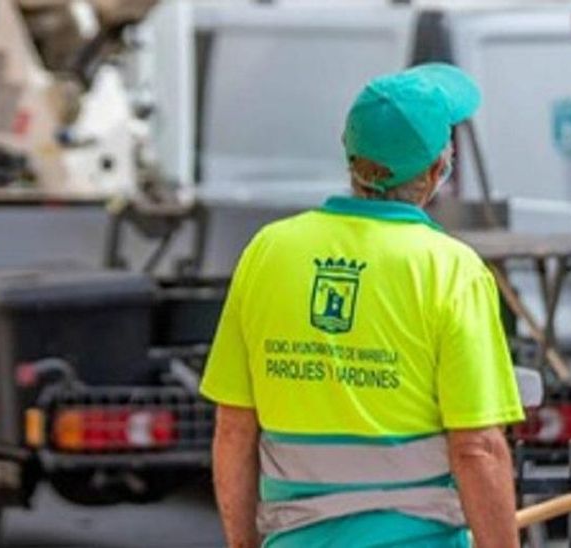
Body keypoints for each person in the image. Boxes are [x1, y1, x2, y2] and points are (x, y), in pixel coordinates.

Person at [200, 63, 525, 548]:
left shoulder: (268, 252)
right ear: (439, 169)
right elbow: (477, 449)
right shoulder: (451, 271)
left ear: (351, 155)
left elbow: (233, 430)